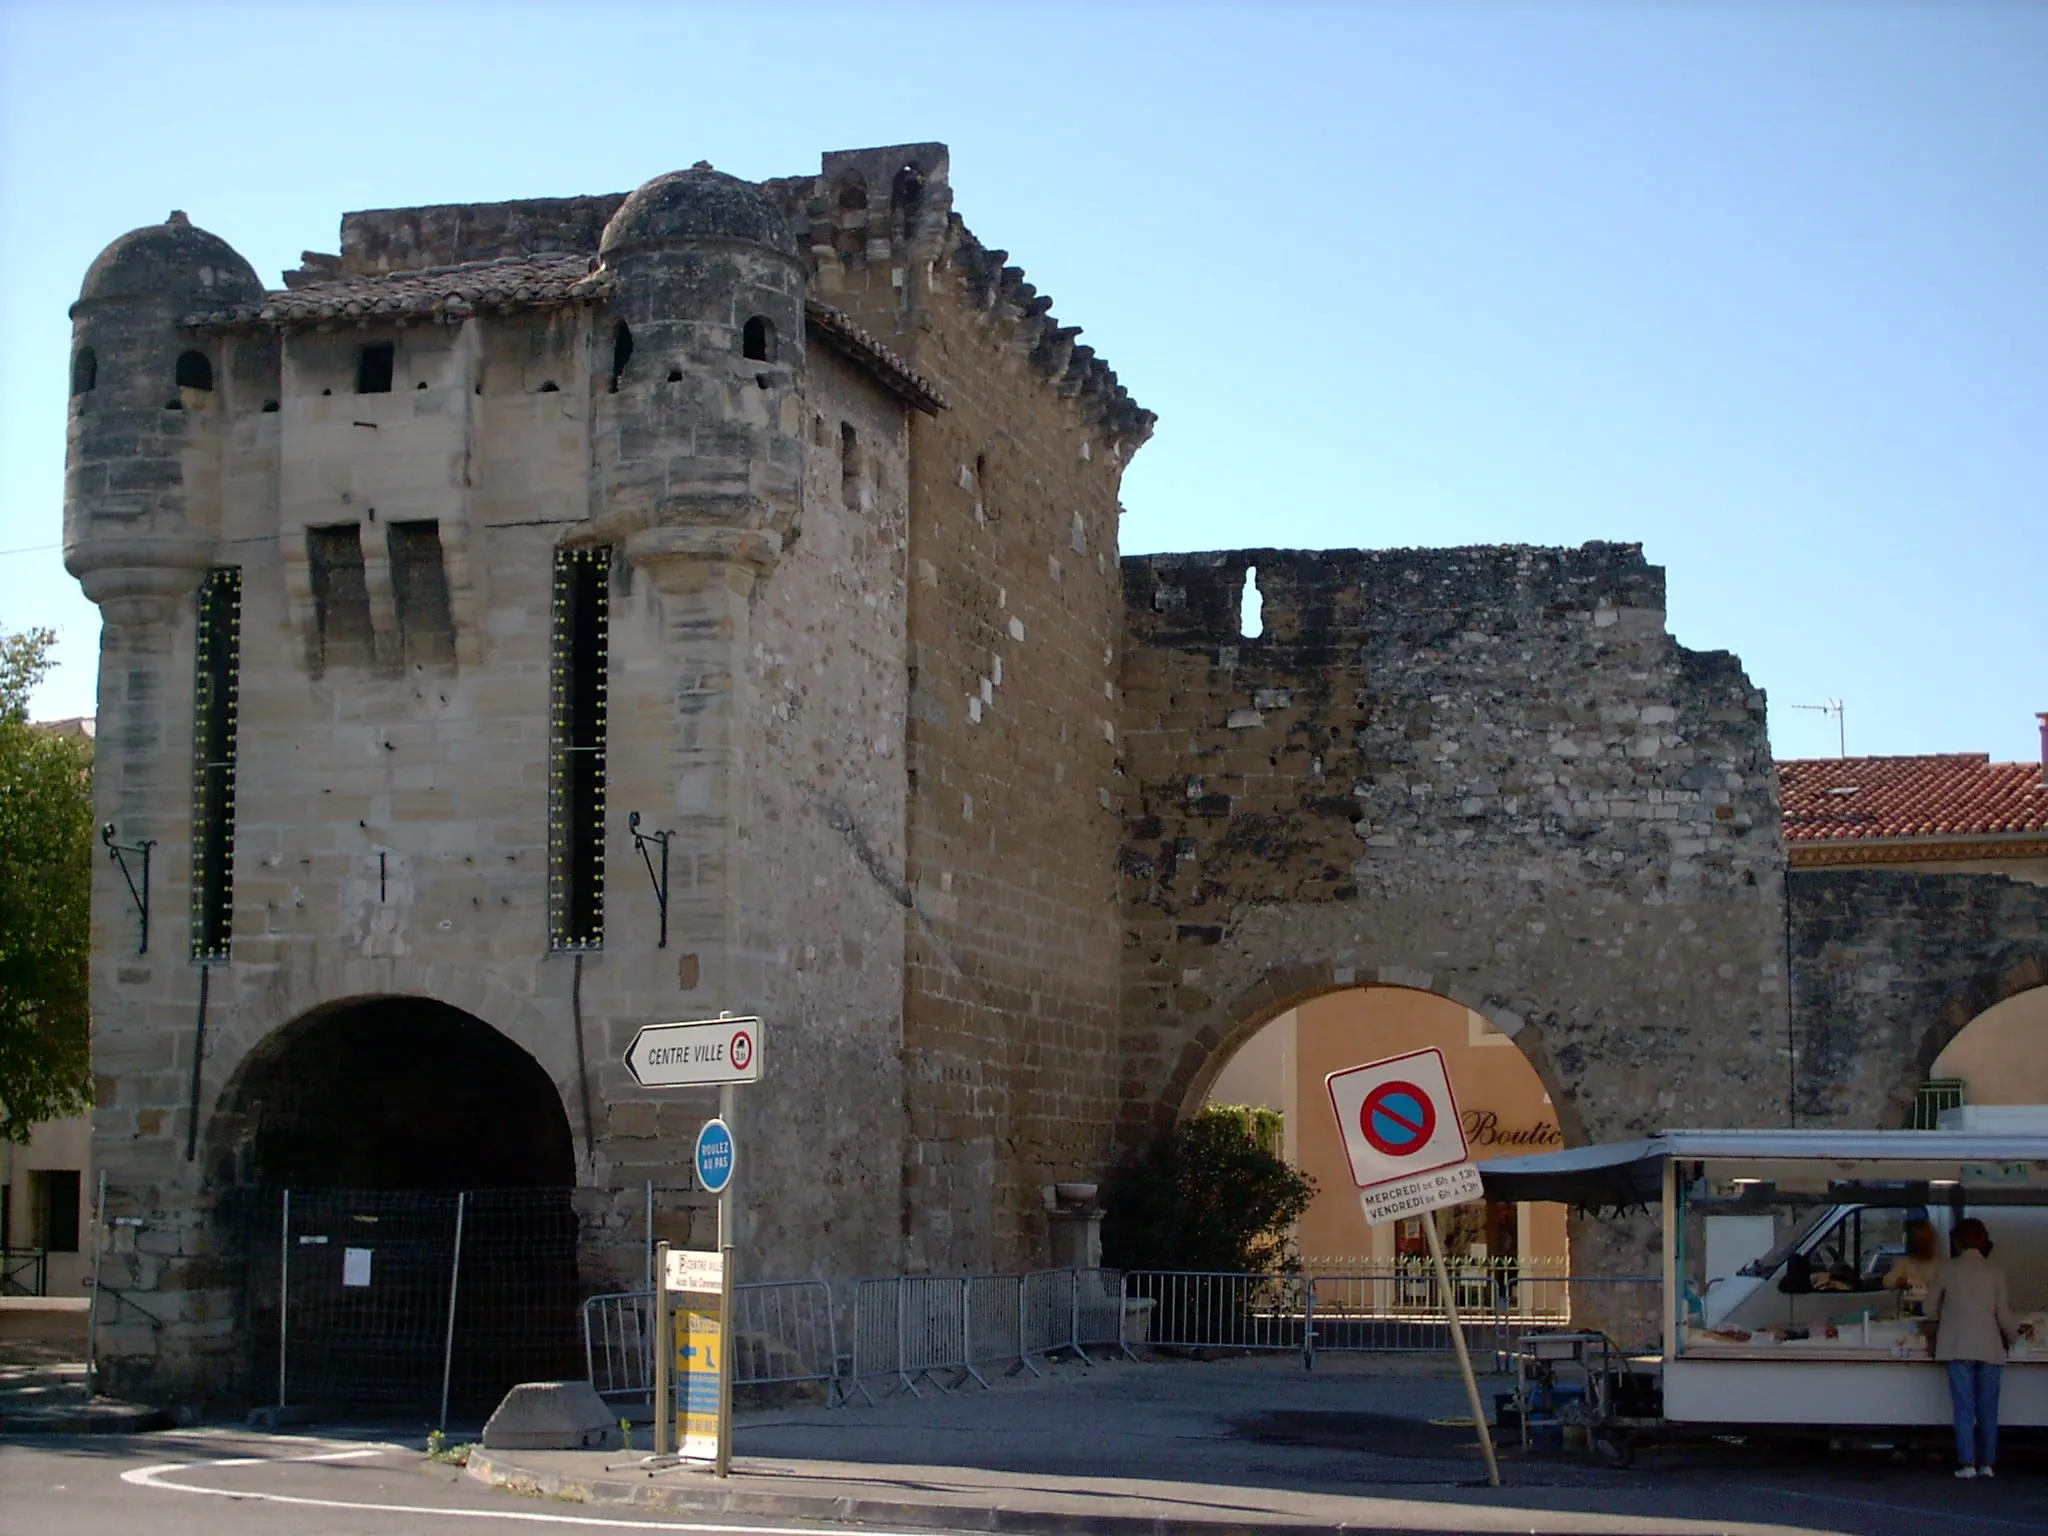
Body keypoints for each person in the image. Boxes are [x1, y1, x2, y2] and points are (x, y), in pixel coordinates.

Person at [1923, 1217, 2016, 1480]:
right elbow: (2004, 1315)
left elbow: (1927, 1308)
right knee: (1988, 1408)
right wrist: (2016, 1337)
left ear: (1957, 1242)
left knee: (1964, 1407)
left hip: (1957, 1344)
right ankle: (1988, 1463)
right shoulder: (1995, 1271)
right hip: (1989, 1346)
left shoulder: (1946, 1270)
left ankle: (1967, 1464)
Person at [1883, 1219, 1942, 1316]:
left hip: (1935, 1313)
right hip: (1910, 1313)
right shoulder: (1905, 1263)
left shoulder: (1943, 1263)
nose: (1924, 1247)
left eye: (1927, 1243)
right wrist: (1898, 1282)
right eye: (1920, 1243)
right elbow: (1887, 1281)